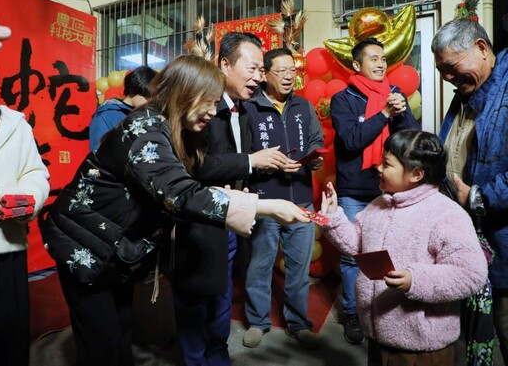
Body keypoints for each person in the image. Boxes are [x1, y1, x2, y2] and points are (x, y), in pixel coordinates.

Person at [39, 55, 309, 366]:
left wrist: (224, 194)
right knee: (102, 345)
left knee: (120, 333)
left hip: (115, 247)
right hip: (84, 244)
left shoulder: (171, 127)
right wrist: (268, 207)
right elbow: (180, 194)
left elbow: (183, 180)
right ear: (182, 93)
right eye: (206, 102)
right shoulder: (145, 130)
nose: (212, 111)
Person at [171, 32, 291, 366]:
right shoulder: (200, 108)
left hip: (231, 220)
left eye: (261, 70)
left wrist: (264, 167)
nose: (259, 77)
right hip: (198, 223)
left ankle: (218, 353)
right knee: (195, 302)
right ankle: (195, 358)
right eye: (252, 68)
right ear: (224, 64)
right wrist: (252, 161)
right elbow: (194, 166)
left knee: (222, 297)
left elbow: (243, 160)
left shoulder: (246, 110)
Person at [320, 129, 488, 366]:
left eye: (387, 164)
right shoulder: (379, 204)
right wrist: (333, 217)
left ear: (416, 173)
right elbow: (356, 244)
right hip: (379, 338)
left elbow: (471, 274)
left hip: (422, 348)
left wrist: (415, 280)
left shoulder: (446, 214)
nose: (378, 168)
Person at [330, 37, 419, 344]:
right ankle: (353, 313)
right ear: (357, 65)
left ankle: (383, 310)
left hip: (390, 189)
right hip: (355, 190)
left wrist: (402, 112)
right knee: (352, 256)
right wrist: (382, 114)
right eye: (374, 59)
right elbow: (351, 141)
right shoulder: (343, 99)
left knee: (389, 252)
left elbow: (412, 140)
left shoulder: (395, 94)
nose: (381, 64)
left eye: (383, 59)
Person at [432, 18, 508, 365]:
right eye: (442, 71)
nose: (448, 78)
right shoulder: (465, 91)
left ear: (481, 48)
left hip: (502, 245)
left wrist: (476, 197)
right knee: (475, 336)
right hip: (469, 243)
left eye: (452, 67)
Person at [241, 47, 324, 349]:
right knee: (259, 265)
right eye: (282, 71)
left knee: (298, 267)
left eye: (293, 70)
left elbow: (316, 140)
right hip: (265, 201)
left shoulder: (303, 106)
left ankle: (298, 321)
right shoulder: (249, 108)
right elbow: (243, 155)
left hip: (300, 198)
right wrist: (265, 162)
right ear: (264, 75)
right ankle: (258, 321)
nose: (289, 76)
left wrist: (314, 161)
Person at [0, 22, 50, 366]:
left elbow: (36, 172)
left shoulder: (15, 123)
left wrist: (30, 197)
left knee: (8, 334)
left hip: (6, 246)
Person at [89, 66, 157, 151]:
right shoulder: (105, 117)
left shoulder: (150, 116)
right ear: (133, 91)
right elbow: (98, 153)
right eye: (148, 97)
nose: (151, 103)